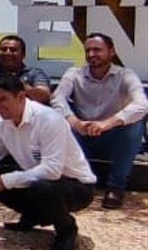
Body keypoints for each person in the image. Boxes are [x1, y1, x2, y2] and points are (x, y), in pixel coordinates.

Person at [0, 74, 97, 250]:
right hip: (36, 178)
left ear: (21, 97)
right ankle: (34, 215)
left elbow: (52, 170)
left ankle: (66, 229)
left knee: (41, 189)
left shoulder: (49, 119)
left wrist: (3, 181)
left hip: (75, 185)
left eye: (3, 100)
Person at [52, 33, 148, 209]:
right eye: (87, 50)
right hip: (81, 134)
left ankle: (116, 187)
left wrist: (107, 123)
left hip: (111, 136)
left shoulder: (125, 75)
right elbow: (57, 99)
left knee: (135, 124)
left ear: (111, 52)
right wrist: (75, 123)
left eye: (97, 50)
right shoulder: (74, 74)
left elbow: (142, 104)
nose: (91, 55)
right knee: (60, 120)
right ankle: (78, 184)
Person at [0, 34, 51, 139]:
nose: (8, 53)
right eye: (3, 49)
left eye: (13, 50)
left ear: (23, 55)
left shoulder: (35, 73)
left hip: (27, 118)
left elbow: (44, 96)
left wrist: (15, 83)